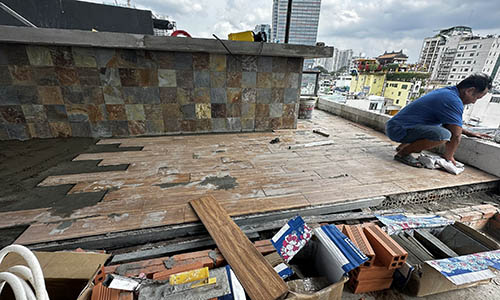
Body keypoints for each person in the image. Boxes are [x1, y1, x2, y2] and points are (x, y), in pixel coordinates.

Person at [386, 73, 492, 168]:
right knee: (443, 135)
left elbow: (451, 125)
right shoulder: (453, 100)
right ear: (469, 91)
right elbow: (455, 134)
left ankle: (402, 147)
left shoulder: (448, 92)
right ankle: (403, 153)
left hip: (396, 126)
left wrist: (469, 133)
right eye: (476, 98)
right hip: (399, 130)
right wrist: (449, 157)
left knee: (439, 127)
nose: (474, 102)